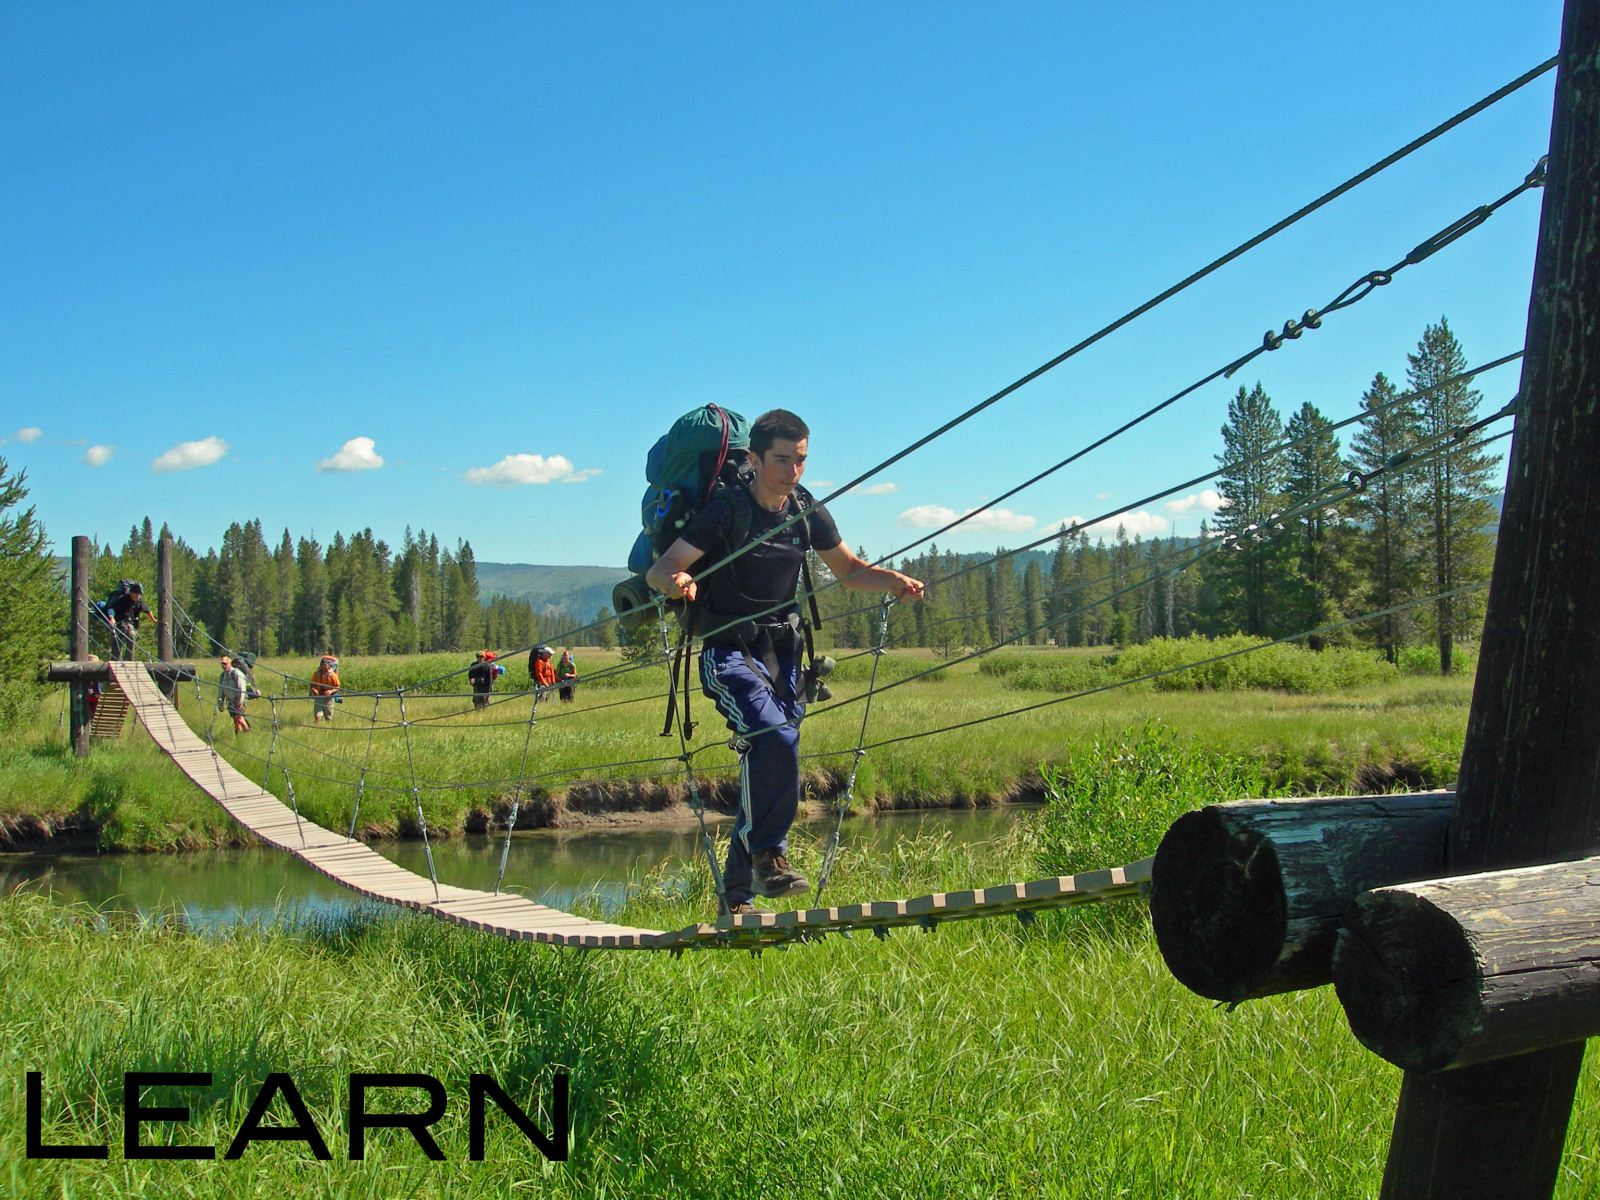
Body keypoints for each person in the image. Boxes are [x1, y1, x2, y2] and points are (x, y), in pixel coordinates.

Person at [645, 408, 923, 917]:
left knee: (768, 758)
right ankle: (771, 857)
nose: (793, 471)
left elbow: (851, 571)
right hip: (727, 650)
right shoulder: (726, 511)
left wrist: (893, 582)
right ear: (753, 458)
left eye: (801, 460)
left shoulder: (805, 509)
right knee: (775, 738)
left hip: (785, 654)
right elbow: (662, 569)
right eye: (782, 460)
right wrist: (678, 582)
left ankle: (737, 900)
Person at [106, 582, 153, 660]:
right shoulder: (122, 599)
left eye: (137, 596)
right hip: (119, 622)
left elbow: (147, 610)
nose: (136, 598)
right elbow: (111, 608)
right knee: (118, 640)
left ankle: (128, 660)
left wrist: (154, 620)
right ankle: (115, 660)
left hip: (130, 623)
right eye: (134, 596)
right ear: (130, 593)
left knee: (132, 637)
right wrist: (111, 617)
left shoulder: (139, 601)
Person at [216, 655, 251, 734]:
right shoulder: (223, 676)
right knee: (236, 720)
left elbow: (241, 688)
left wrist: (240, 702)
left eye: (225, 663)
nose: (223, 665)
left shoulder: (236, 673)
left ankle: (249, 735)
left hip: (238, 700)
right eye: (222, 663)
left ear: (229, 663)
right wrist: (220, 703)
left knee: (240, 719)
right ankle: (238, 739)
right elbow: (221, 690)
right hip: (230, 702)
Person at [310, 654, 340, 723]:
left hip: (329, 698)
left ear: (329, 666)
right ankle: (316, 728)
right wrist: (314, 690)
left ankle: (327, 730)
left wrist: (330, 691)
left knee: (328, 718)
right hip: (318, 697)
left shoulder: (332, 675)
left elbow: (337, 687)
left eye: (325, 665)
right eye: (322, 665)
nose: (324, 667)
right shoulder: (316, 674)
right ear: (320, 666)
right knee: (317, 716)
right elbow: (312, 684)